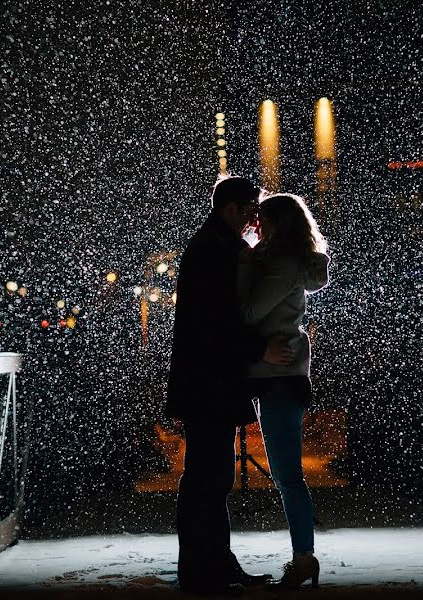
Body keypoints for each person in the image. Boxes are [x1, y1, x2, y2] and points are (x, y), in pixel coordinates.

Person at [165, 176, 295, 596]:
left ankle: (211, 564)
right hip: (210, 382)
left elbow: (216, 321)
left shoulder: (214, 247)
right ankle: (204, 570)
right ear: (232, 209)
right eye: (251, 209)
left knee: (209, 475)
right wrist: (261, 349)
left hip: (207, 380)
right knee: (207, 475)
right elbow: (217, 323)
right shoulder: (214, 252)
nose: (256, 217)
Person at [237, 192, 330, 590]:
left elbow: (249, 313)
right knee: (286, 473)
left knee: (288, 474)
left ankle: (305, 557)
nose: (255, 225)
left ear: (277, 224)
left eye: (261, 219)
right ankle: (303, 556)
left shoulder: (282, 265)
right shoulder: (282, 262)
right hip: (275, 372)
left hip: (278, 374)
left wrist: (243, 261)